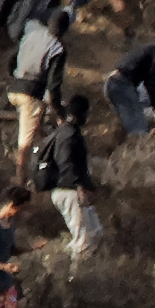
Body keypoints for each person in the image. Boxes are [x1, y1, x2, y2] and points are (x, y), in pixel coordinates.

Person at [8, 7, 69, 186]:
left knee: (39, 128)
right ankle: (21, 182)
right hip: (30, 95)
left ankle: (45, 161)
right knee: (25, 143)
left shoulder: (32, 31)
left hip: (14, 88)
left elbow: (13, 58)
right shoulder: (57, 48)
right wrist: (61, 114)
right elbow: (54, 87)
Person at [44, 94, 102, 259]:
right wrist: (82, 186)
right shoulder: (69, 135)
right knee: (83, 242)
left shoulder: (65, 132)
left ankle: (63, 262)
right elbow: (66, 162)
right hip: (69, 191)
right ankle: (71, 277)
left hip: (66, 190)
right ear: (81, 113)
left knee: (95, 233)